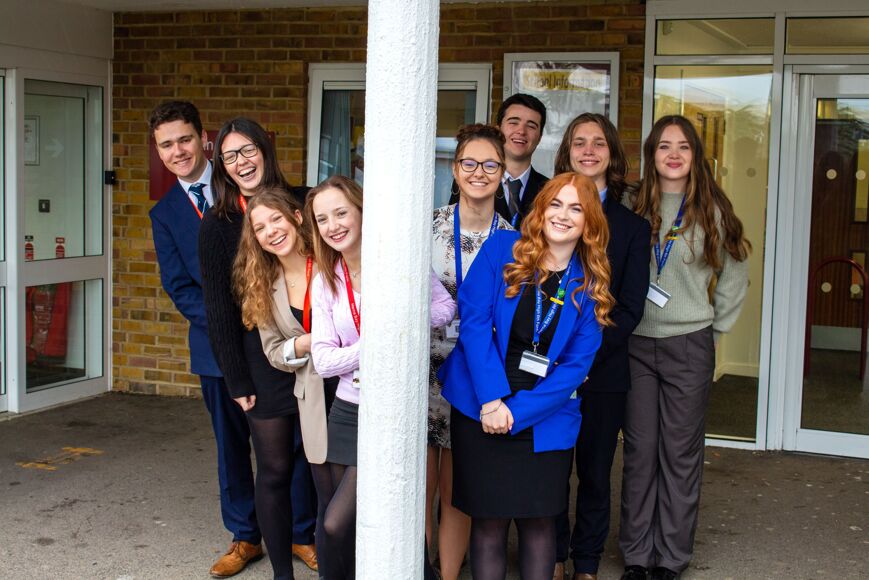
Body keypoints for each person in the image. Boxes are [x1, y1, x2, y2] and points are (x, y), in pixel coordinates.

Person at [440, 172, 614, 580]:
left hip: (545, 413)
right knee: (488, 521)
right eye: (556, 204)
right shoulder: (503, 248)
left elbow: (574, 368)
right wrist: (492, 400)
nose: (564, 215)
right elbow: (476, 323)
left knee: (540, 523)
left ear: (589, 221)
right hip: (481, 403)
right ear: (541, 209)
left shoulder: (590, 284)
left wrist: (515, 413)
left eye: (576, 208)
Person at [619, 115, 750, 580]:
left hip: (689, 343)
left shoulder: (710, 207)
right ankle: (636, 554)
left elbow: (735, 274)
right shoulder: (631, 204)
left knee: (679, 453)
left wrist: (715, 331)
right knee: (639, 451)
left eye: (684, 147)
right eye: (664, 146)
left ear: (696, 156)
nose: (673, 154)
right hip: (635, 344)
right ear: (651, 154)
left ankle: (670, 558)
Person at [307, 175, 456, 579]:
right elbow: (322, 359)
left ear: (361, 211)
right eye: (322, 219)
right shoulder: (325, 279)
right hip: (347, 410)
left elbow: (445, 308)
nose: (333, 225)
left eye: (341, 212)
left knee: (354, 520)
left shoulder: (397, 265)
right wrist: (376, 346)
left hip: (391, 410)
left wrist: (406, 323)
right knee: (343, 527)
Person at [147, 101, 261, 578]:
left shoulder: (240, 180)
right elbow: (179, 288)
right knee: (230, 445)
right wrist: (227, 324)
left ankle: (300, 531)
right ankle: (245, 536)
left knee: (289, 441)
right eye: (166, 144)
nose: (178, 151)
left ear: (203, 139)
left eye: (184, 139)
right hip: (215, 348)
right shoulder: (165, 212)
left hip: (273, 337)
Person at [199, 118, 315, 580]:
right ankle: (279, 569)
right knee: (273, 467)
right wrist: (237, 378)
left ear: (265, 150)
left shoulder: (305, 200)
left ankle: (306, 536)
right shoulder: (218, 225)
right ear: (222, 167)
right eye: (230, 156)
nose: (241, 162)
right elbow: (219, 310)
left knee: (316, 458)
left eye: (248, 150)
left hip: (317, 351)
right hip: (259, 361)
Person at [551, 114, 651, 580]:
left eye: (598, 143)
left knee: (594, 472)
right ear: (567, 152)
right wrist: (560, 361)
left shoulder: (631, 227)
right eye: (578, 142)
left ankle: (585, 563)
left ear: (611, 153)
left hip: (603, 371)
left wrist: (585, 359)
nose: (588, 150)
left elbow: (630, 307)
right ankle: (549, 553)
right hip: (545, 367)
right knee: (549, 466)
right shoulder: (545, 210)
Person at [232, 188, 341, 579]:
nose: (270, 231)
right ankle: (282, 574)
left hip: (336, 382)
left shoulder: (332, 261)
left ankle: (335, 566)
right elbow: (273, 350)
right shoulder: (262, 279)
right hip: (285, 378)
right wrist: (308, 342)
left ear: (297, 217)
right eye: (259, 227)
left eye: (276, 219)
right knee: (274, 471)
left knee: (328, 482)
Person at [429, 124, 514, 580]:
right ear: (455, 169)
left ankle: (446, 575)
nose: (479, 172)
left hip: (478, 375)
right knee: (418, 485)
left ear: (503, 172)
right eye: (469, 163)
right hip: (424, 369)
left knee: (455, 488)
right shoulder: (428, 226)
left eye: (490, 164)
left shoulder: (517, 241)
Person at [449, 94, 549, 227]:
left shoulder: (550, 189)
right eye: (513, 122)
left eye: (531, 126)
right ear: (498, 129)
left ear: (540, 136)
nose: (521, 131)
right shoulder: (472, 180)